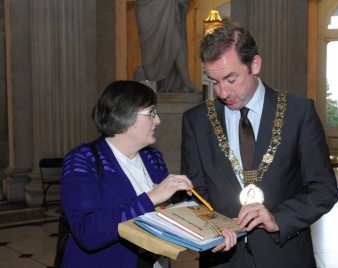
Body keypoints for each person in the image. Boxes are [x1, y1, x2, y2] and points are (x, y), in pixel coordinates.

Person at [181, 22, 338, 267]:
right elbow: (195, 195)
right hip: (223, 259)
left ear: (254, 65)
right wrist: (210, 231)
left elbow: (324, 189)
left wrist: (278, 219)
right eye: (214, 81)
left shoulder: (298, 112)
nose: (223, 92)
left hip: (285, 255)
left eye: (230, 78)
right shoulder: (197, 121)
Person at [60, 81, 233, 267]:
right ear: (123, 115)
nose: (157, 120)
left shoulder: (153, 158)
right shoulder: (84, 159)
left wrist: (214, 233)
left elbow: (169, 218)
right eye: (151, 113)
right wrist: (150, 198)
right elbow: (87, 233)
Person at [135, 0, 196, 92]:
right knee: (151, 49)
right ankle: (151, 78)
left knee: (177, 42)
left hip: (167, 7)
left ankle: (186, 81)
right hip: (148, 9)